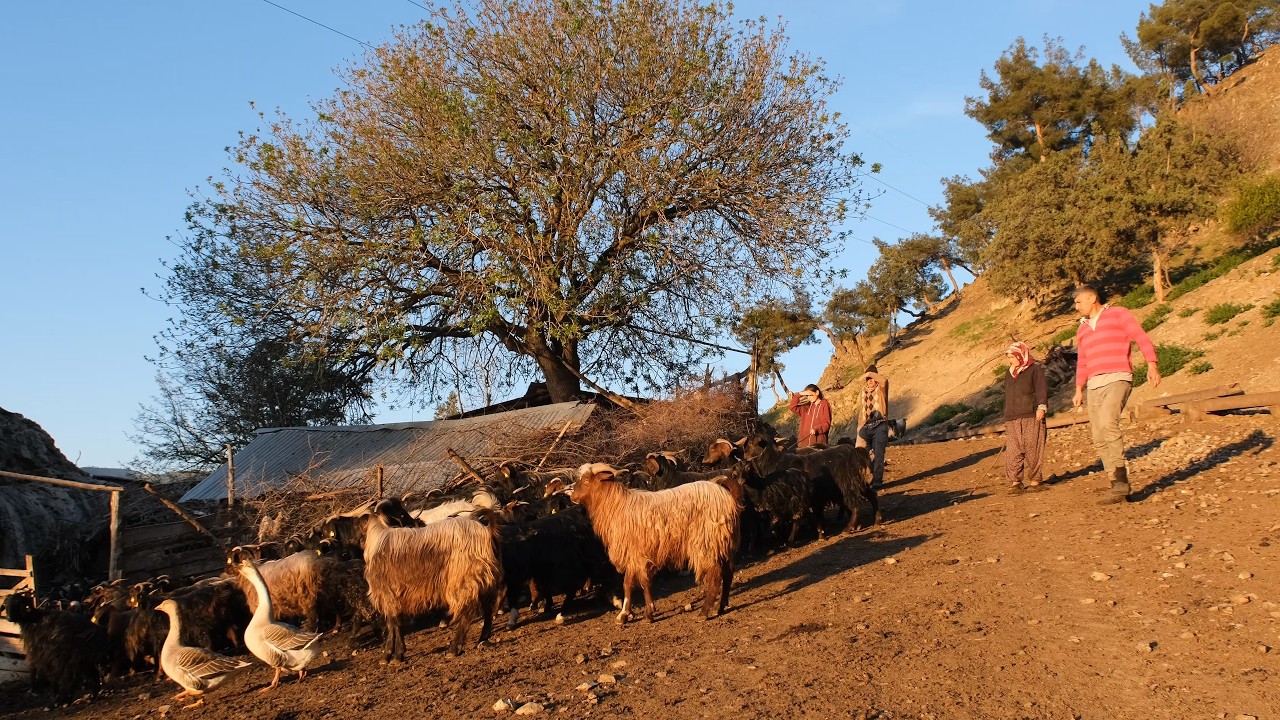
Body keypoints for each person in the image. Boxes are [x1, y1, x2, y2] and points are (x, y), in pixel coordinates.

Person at [1071, 284, 1160, 504]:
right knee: (1098, 436)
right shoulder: (1081, 329)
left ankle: (1121, 478)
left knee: (1109, 422)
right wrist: (1078, 388)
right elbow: (1083, 361)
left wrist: (1152, 364)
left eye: (1078, 302)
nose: (1077, 307)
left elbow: (1141, 337)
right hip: (1094, 384)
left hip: (1118, 377)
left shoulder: (1119, 314)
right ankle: (1116, 486)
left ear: (1092, 298)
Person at [1003, 341, 1048, 494]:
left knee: (1033, 448)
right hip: (1013, 416)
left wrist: (1041, 406)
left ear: (1020, 355)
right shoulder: (1009, 373)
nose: (1011, 360)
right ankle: (1016, 482)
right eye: (1009, 357)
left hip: (1031, 414)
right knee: (1013, 451)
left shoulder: (1034, 369)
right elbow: (1008, 395)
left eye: (1012, 357)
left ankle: (1035, 481)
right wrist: (1007, 415)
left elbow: (1041, 389)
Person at [855, 364, 890, 489]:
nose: (870, 381)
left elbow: (884, 380)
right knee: (861, 454)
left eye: (872, 378)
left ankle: (877, 481)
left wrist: (869, 374)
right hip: (866, 426)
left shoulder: (881, 388)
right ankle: (865, 478)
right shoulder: (863, 391)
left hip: (880, 424)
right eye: (868, 379)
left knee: (879, 453)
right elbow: (862, 409)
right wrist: (860, 425)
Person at [789, 383, 832, 448]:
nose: (809, 398)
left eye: (810, 395)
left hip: (818, 445)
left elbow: (826, 424)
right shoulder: (806, 407)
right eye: (807, 396)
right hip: (803, 446)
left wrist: (816, 429)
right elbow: (792, 407)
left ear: (817, 392)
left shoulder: (825, 405)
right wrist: (799, 394)